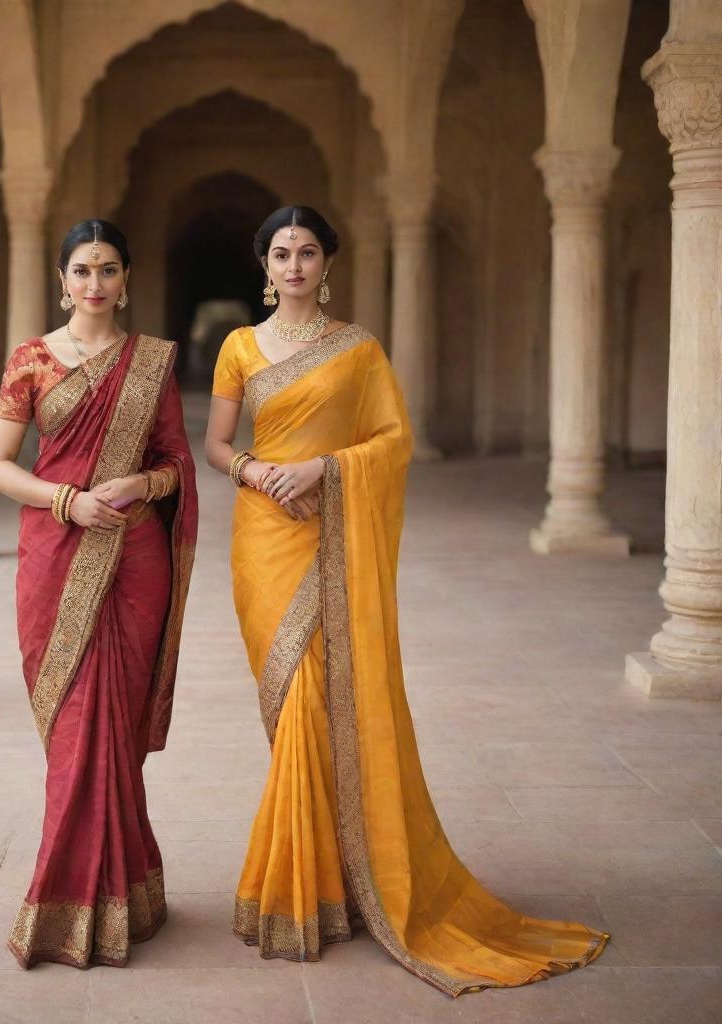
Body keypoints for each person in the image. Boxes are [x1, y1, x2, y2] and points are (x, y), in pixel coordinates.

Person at [204, 204, 608, 996]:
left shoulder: (358, 350)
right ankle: (318, 879)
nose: (293, 266)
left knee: (323, 706)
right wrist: (256, 473)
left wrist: (322, 470)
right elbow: (218, 444)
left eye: (308, 252)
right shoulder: (238, 347)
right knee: (291, 704)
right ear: (263, 265)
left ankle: (319, 887)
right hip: (263, 539)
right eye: (281, 253)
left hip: (328, 526)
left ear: (328, 263)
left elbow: (393, 442)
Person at [0, 219, 197, 969]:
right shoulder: (33, 359)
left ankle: (121, 893)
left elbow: (175, 460)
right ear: (62, 278)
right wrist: (65, 500)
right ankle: (72, 894)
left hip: (135, 556)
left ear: (126, 278)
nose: (95, 284)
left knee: (114, 729)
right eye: (82, 270)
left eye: (108, 269)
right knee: (75, 729)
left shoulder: (152, 364)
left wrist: (142, 481)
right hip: (57, 547)